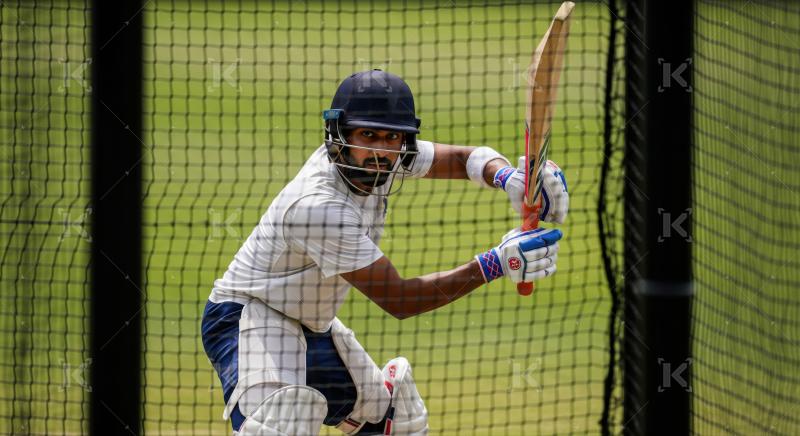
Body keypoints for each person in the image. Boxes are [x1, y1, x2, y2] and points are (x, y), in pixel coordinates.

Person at [201, 69, 569, 435]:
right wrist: (496, 264)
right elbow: (400, 299)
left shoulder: (382, 161)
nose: (379, 149)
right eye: (368, 135)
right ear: (339, 136)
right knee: (280, 424)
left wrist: (507, 178)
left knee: (396, 419)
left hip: (311, 326)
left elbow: (462, 159)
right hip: (247, 318)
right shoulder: (318, 206)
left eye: (391, 137)